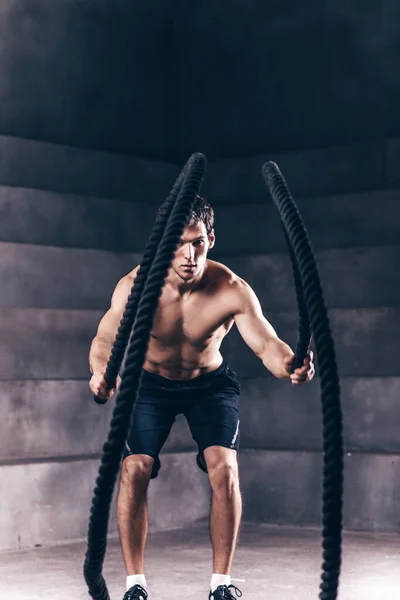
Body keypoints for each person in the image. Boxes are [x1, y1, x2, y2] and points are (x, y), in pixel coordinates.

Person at [89, 196, 315, 600]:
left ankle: (221, 584)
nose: (188, 255)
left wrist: (291, 365)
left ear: (211, 238)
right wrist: (102, 372)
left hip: (209, 385)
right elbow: (106, 338)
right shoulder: (136, 286)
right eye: (178, 243)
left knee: (224, 468)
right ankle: (135, 585)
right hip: (149, 385)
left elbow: (266, 343)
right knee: (134, 469)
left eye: (197, 243)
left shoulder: (231, 289)